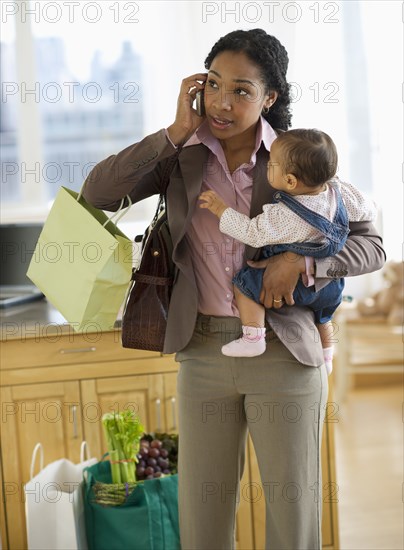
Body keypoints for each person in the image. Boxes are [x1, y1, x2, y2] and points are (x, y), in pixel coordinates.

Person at [83, 29, 385, 550]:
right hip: (201, 351)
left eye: (242, 90)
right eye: (215, 85)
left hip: (285, 353)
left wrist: (301, 263)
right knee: (203, 519)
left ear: (270, 97)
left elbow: (371, 245)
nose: (223, 103)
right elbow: (98, 193)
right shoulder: (181, 155)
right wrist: (176, 129)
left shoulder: (298, 157)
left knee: (293, 515)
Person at [199, 128, 377, 373]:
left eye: (271, 164)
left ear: (291, 181)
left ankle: (253, 338)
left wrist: (221, 210)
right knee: (322, 317)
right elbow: (368, 209)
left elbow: (252, 233)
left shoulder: (285, 214)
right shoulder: (342, 193)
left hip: (296, 288)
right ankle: (326, 356)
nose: (267, 166)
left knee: (243, 283)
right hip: (330, 286)